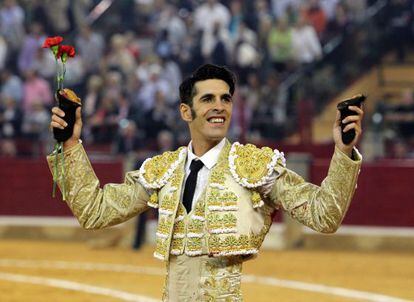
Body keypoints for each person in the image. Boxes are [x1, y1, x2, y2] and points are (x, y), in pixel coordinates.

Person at [48, 64, 363, 301]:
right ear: (186, 111)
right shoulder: (164, 170)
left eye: (226, 99)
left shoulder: (253, 167)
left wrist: (343, 152)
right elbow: (95, 211)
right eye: (208, 98)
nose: (219, 106)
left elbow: (325, 215)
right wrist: (71, 145)